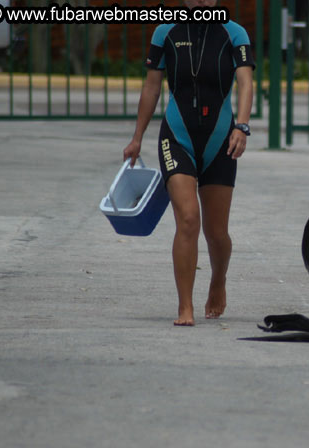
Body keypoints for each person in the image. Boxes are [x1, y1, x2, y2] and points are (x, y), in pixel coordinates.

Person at [123, 0, 254, 326]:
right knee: (188, 218)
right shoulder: (165, 31)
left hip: (220, 140)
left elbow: (246, 82)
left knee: (217, 232)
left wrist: (241, 126)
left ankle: (218, 281)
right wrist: (137, 137)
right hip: (177, 137)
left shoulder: (234, 33)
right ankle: (185, 307)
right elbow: (152, 87)